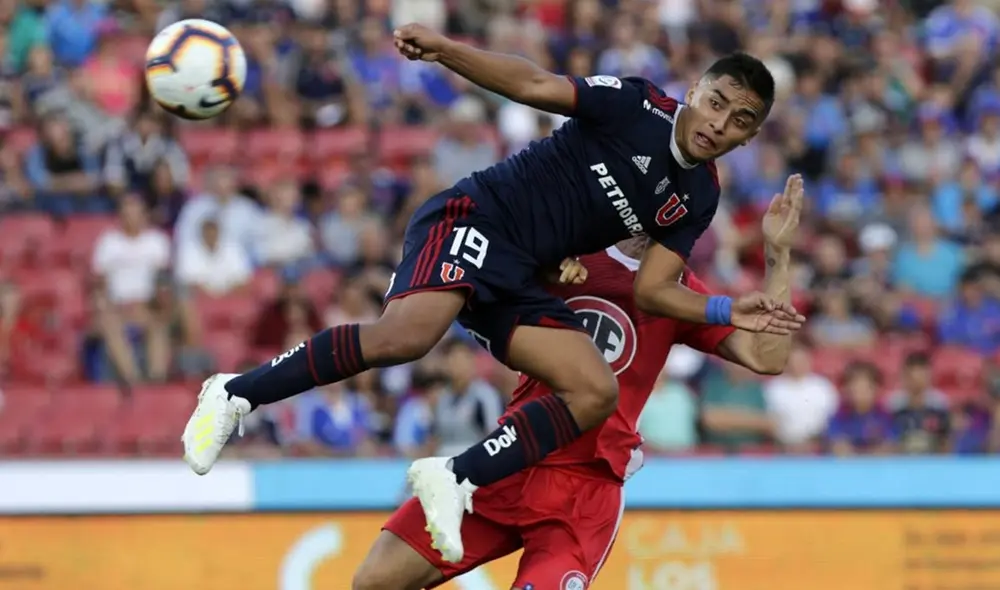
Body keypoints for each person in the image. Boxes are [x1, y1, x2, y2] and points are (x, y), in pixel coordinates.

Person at [182, 24, 801, 563]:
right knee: (406, 337)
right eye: (716, 103)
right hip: (478, 218)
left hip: (522, 274)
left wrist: (725, 306)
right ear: (695, 90)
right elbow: (534, 85)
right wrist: (447, 51)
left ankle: (454, 477)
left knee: (593, 389)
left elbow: (655, 290)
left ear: (749, 139)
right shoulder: (637, 105)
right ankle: (235, 394)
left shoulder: (698, 196)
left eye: (739, 121)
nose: (719, 124)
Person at [351, 177, 804, 590]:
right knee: (373, 582)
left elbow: (767, 357)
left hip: (583, 488)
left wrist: (777, 255)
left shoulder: (681, 293)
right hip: (510, 459)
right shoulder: (567, 254)